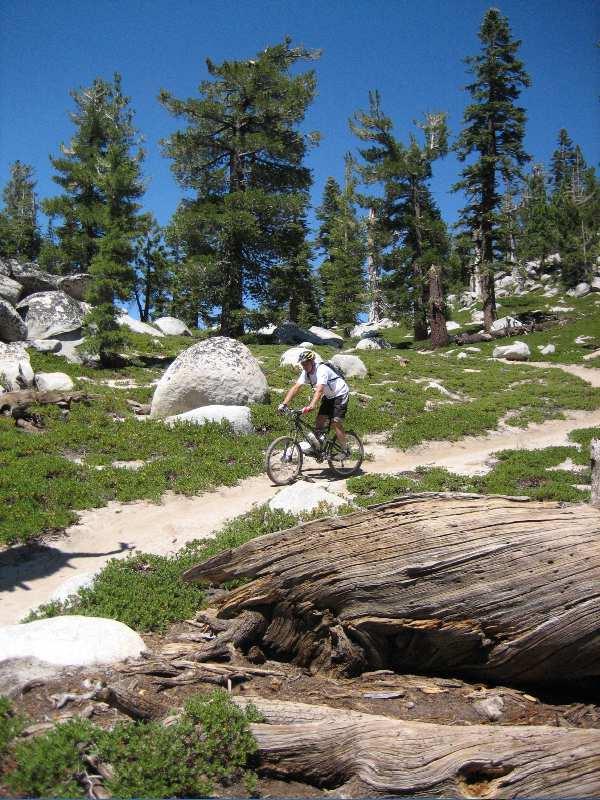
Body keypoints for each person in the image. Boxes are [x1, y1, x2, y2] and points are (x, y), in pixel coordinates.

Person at [278, 349, 350, 457]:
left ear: (312, 361)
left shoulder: (322, 370)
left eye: (306, 363)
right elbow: (296, 387)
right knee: (319, 421)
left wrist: (312, 405)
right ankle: (317, 446)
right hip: (329, 396)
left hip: (340, 393)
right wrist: (284, 404)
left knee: (335, 423)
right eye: (302, 364)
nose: (304, 366)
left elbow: (320, 389)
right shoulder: (306, 373)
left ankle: (345, 451)